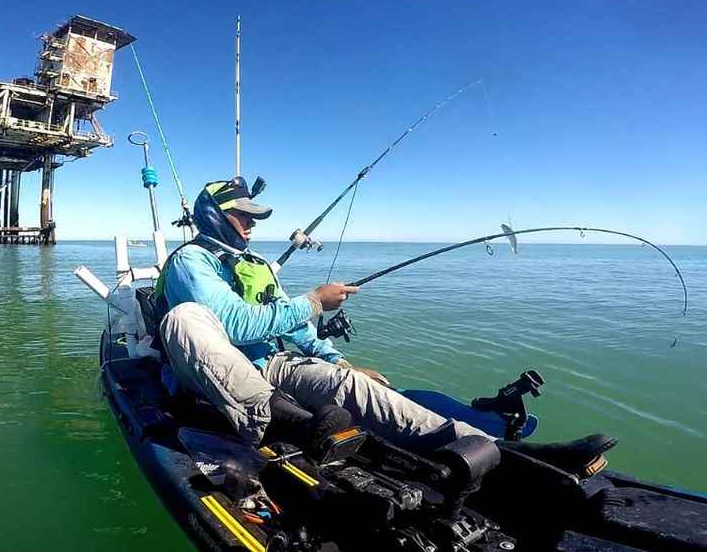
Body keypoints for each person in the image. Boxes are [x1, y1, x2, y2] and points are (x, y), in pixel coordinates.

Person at [157, 176, 615, 474]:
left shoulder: (254, 264)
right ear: (216, 215)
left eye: (254, 218)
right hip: (209, 376)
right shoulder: (190, 261)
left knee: (362, 389)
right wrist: (315, 300)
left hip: (273, 366)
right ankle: (289, 423)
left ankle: (506, 455)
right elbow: (233, 326)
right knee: (185, 317)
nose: (252, 226)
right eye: (244, 216)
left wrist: (341, 362)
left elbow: (292, 330)